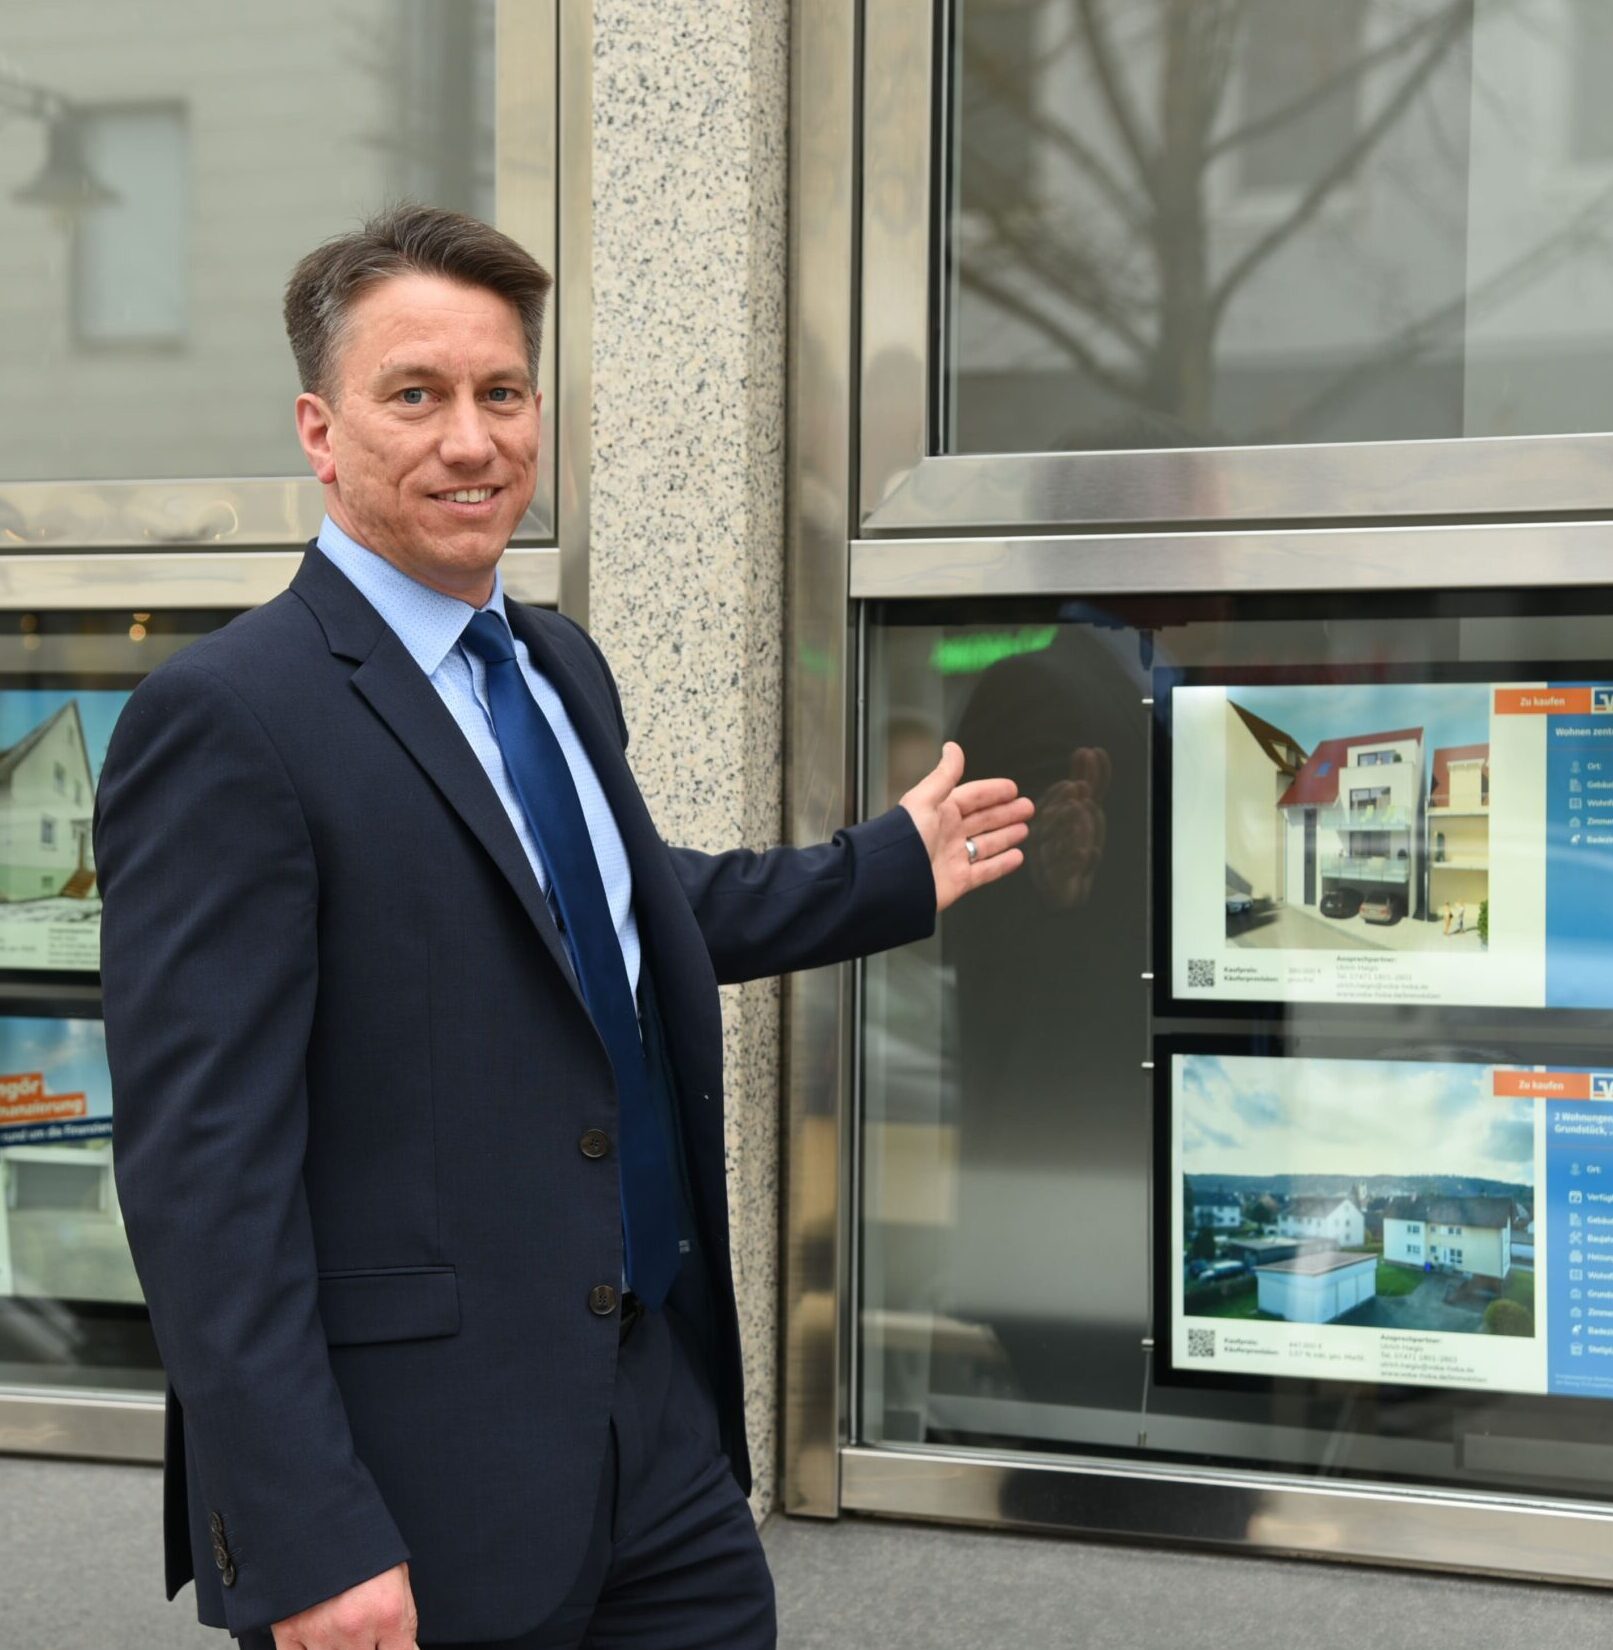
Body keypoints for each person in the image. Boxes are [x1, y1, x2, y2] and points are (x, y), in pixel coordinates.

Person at [95, 204, 1031, 1650]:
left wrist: (883, 870)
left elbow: (613, 915)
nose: (471, 439)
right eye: (414, 395)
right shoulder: (229, 718)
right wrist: (309, 1540)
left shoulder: (555, 667)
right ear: (319, 429)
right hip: (410, 1485)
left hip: (650, 1428)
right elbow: (201, 1179)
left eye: (502, 392)